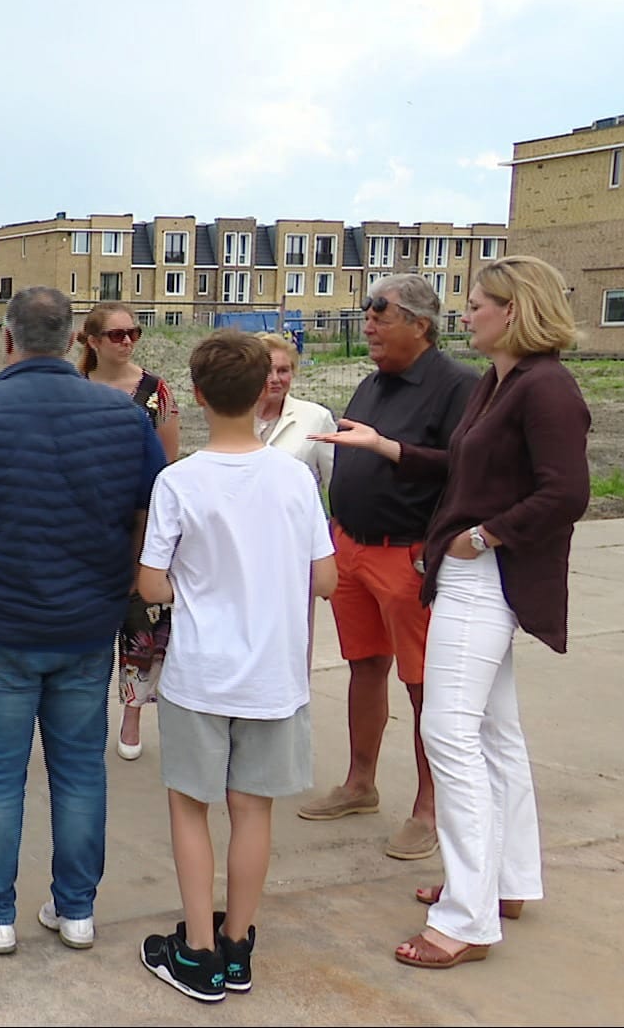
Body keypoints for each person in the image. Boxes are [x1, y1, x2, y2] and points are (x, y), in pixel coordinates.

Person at [311, 257, 590, 969]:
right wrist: (386, 447)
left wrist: (485, 535)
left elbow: (566, 494)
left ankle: (465, 918)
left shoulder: (546, 388)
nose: (466, 316)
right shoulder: (503, 383)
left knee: (449, 731)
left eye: (478, 304)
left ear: (515, 309)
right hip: (468, 573)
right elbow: (461, 468)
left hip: (488, 576)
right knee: (495, 732)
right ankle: (507, 881)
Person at [0, 286, 166, 954]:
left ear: (8, 336)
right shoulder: (124, 417)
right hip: (86, 623)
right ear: (73, 339)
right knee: (81, 770)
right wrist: (121, 586)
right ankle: (77, 910)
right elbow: (152, 517)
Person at [134, 331, 338, 1002]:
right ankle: (239, 943)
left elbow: (152, 584)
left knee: (191, 805)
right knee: (252, 809)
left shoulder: (179, 480)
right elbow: (328, 579)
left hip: (202, 672)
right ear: (264, 392)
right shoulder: (294, 479)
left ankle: (195, 949)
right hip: (274, 675)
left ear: (194, 397)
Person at [294, 275, 477, 862]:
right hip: (353, 550)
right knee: (364, 667)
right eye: (366, 311)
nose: (367, 324)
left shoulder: (457, 387)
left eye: (381, 313)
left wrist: (436, 544)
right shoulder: (373, 382)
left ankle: (429, 807)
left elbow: (465, 470)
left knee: (424, 684)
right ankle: (360, 783)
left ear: (421, 324)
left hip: (408, 554)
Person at [77, 302, 181, 762]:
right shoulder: (74, 389)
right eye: (116, 335)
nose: (126, 342)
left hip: (142, 519)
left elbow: (168, 466)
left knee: (141, 621)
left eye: (133, 333)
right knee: (88, 622)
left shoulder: (157, 391)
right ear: (92, 341)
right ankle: (82, 712)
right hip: (87, 523)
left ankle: (133, 712)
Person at [252, 332, 336, 488]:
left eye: (283, 370)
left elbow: (336, 485)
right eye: (267, 371)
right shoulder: (234, 419)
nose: (275, 379)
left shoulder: (316, 418)